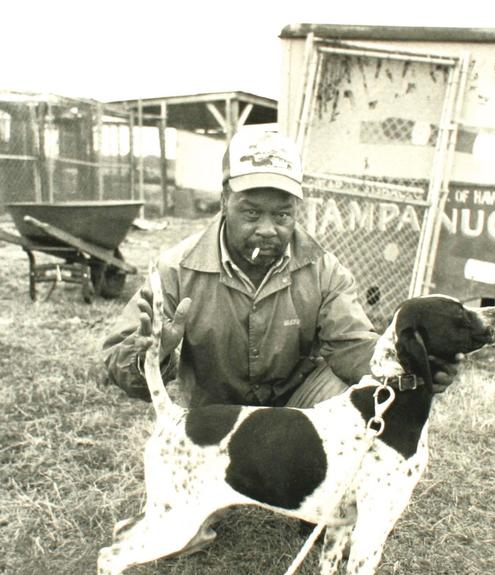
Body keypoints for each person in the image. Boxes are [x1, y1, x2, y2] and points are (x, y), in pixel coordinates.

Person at [103, 127, 458, 409]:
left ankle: (302, 473)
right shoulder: (176, 269)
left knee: (355, 397)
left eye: (282, 214)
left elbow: (352, 347)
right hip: (214, 422)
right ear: (224, 200)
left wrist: (411, 367)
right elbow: (116, 364)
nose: (268, 229)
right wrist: (154, 352)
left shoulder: (323, 270)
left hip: (297, 414)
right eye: (252, 212)